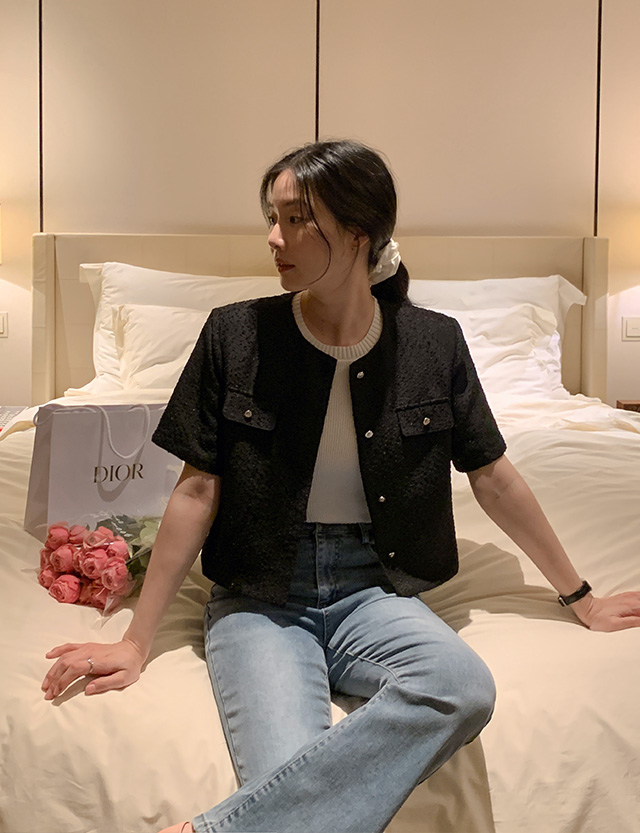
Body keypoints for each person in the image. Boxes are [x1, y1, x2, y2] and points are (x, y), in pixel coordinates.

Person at [42, 140, 640, 833]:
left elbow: (493, 476)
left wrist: (582, 598)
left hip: (375, 591)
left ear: (358, 232)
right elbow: (196, 491)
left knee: (462, 687)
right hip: (260, 596)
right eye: (272, 217)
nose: (274, 237)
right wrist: (137, 641)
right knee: (290, 776)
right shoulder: (234, 334)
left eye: (296, 219)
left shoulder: (433, 343)